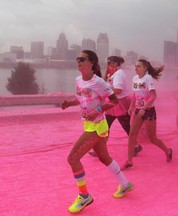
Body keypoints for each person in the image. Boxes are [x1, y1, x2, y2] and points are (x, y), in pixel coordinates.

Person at [61, 50, 134, 213]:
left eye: (82, 59)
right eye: (77, 59)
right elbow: (80, 99)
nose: (78, 61)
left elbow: (114, 100)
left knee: (73, 159)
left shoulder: (99, 82)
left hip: (97, 126)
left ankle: (84, 195)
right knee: (104, 157)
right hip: (88, 125)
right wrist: (69, 103)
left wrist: (99, 109)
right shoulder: (78, 80)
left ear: (92, 63)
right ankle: (125, 184)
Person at [121, 59, 173, 170]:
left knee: (152, 138)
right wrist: (131, 107)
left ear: (145, 68)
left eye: (138, 66)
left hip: (148, 110)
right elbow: (135, 94)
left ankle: (168, 151)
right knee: (132, 135)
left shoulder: (148, 78)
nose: (136, 68)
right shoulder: (134, 79)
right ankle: (129, 161)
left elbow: (153, 96)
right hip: (138, 110)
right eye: (135, 66)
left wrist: (144, 108)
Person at [89, 56, 143, 157]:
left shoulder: (119, 74)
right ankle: (100, 149)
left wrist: (106, 89)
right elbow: (103, 83)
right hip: (112, 104)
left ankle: (136, 146)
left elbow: (118, 90)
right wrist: (106, 74)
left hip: (119, 104)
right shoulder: (113, 73)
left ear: (114, 64)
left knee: (126, 126)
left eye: (109, 64)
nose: (107, 66)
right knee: (105, 126)